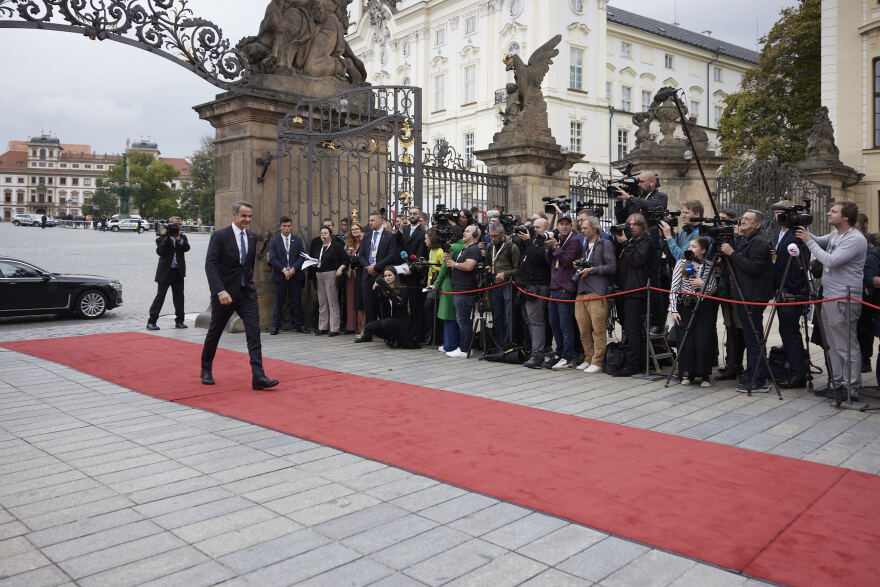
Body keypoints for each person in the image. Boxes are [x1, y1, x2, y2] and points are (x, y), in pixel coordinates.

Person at [200, 200, 279, 390]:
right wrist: (220, 291)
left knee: (254, 333)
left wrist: (249, 285)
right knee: (215, 331)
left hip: (247, 294)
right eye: (244, 216)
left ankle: (258, 376)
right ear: (234, 215)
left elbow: (247, 266)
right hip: (225, 295)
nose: (247, 220)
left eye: (250, 216)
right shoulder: (220, 236)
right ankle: (206, 369)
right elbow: (210, 265)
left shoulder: (252, 237)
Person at [797, 201, 868, 401]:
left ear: (846, 217)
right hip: (830, 296)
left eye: (833, 211)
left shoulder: (855, 239)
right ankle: (837, 383)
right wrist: (806, 233)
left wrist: (808, 241)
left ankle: (850, 387)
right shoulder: (838, 234)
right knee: (833, 344)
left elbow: (831, 260)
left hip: (844, 298)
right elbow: (820, 241)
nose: (828, 213)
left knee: (845, 344)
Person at [720, 210, 774, 393]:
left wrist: (732, 252)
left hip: (752, 296)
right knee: (751, 338)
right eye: (742, 218)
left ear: (757, 224)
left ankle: (758, 380)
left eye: (747, 219)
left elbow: (753, 268)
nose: (742, 221)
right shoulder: (746, 240)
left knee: (754, 339)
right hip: (743, 295)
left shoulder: (759, 242)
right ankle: (754, 375)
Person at [612, 213, 660, 377]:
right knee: (628, 328)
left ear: (642, 226)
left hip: (637, 292)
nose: (630, 227)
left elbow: (638, 260)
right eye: (628, 224)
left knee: (633, 330)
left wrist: (625, 243)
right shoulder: (631, 242)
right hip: (625, 290)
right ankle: (634, 361)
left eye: (634, 225)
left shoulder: (647, 241)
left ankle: (634, 365)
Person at [669, 237, 717, 387]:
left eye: (694, 246)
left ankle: (704, 374)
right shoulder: (681, 264)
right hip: (685, 305)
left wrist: (702, 285)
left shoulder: (709, 265)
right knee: (686, 340)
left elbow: (713, 289)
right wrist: (673, 310)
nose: (690, 249)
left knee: (703, 340)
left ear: (703, 250)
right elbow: (674, 289)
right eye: (690, 246)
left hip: (703, 306)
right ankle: (687, 373)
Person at [770, 202, 808, 388]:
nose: (778, 216)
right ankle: (795, 369)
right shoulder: (779, 233)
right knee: (785, 331)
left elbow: (797, 265)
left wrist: (791, 291)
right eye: (776, 213)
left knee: (790, 332)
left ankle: (798, 374)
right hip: (780, 288)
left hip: (791, 292)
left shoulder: (797, 234)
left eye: (781, 213)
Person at [574, 215, 616, 373]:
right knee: (583, 329)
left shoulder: (605, 243)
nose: (582, 231)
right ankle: (588, 357)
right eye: (581, 228)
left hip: (597, 291)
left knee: (597, 329)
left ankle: (598, 361)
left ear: (594, 228)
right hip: (581, 290)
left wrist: (592, 270)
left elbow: (611, 267)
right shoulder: (584, 244)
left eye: (585, 228)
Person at [355, 211, 400, 342]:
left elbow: (391, 255)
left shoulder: (389, 236)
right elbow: (361, 255)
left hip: (381, 275)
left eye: (373, 220)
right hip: (367, 275)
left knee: (384, 306)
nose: (370, 223)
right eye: (369, 220)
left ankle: (386, 335)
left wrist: (376, 267)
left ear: (381, 220)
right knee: (368, 306)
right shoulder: (368, 236)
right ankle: (368, 334)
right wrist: (368, 267)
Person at [545, 213, 582, 369]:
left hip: (565, 289)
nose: (564, 226)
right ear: (557, 226)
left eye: (567, 223)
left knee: (565, 325)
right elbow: (550, 262)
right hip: (554, 288)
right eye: (561, 224)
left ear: (571, 225)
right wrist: (549, 248)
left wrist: (557, 247)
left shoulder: (574, 241)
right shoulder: (557, 239)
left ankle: (567, 356)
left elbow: (567, 262)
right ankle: (559, 353)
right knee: (554, 324)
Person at [516, 218, 553, 368]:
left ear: (546, 228)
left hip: (538, 286)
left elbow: (538, 258)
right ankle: (535, 351)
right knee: (529, 320)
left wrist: (529, 240)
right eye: (533, 227)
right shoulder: (531, 242)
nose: (534, 229)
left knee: (536, 321)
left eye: (538, 227)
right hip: (526, 286)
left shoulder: (546, 242)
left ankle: (538, 356)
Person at [444, 224, 483, 358]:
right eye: (464, 230)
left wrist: (454, 264)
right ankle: (464, 347)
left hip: (465, 290)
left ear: (475, 235)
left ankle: (465, 348)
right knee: (462, 319)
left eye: (468, 231)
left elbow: (469, 266)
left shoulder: (473, 250)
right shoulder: (466, 249)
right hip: (460, 289)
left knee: (463, 320)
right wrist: (449, 262)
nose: (464, 233)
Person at [147, 216, 190, 330]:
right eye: (176, 224)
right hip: (165, 272)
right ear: (169, 225)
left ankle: (180, 321)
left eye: (180, 224)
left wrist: (179, 240)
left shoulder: (182, 237)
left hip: (178, 272)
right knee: (160, 297)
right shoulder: (162, 238)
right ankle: (151, 321)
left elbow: (187, 248)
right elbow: (160, 251)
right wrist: (164, 237)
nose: (178, 226)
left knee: (179, 298)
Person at [268, 216, 308, 335]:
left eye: (289, 226)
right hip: (280, 275)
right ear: (280, 226)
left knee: (297, 301)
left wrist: (294, 268)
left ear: (291, 226)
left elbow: (301, 256)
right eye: (284, 226)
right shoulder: (274, 241)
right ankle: (275, 325)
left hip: (295, 276)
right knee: (278, 301)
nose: (287, 228)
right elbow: (273, 258)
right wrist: (284, 269)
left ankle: (299, 325)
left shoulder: (297, 240)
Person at [486, 221, 521, 350]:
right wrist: (488, 269)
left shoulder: (512, 247)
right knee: (497, 314)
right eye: (491, 236)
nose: (493, 238)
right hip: (494, 285)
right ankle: (499, 344)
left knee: (508, 315)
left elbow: (519, 269)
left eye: (495, 236)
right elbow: (489, 263)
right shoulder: (490, 246)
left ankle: (508, 343)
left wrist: (505, 274)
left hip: (508, 285)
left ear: (502, 234)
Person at [363, 268, 419, 348]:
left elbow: (399, 303)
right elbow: (377, 301)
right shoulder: (382, 290)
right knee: (369, 327)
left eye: (390, 275)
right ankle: (390, 339)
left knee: (385, 323)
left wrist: (388, 290)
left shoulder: (402, 288)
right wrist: (375, 289)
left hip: (401, 322)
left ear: (395, 276)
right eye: (385, 276)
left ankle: (398, 340)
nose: (387, 278)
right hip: (388, 321)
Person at [310, 226, 347, 336]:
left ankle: (334, 328)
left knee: (332, 301)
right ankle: (323, 327)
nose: (323, 235)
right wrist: (313, 264)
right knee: (322, 302)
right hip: (319, 274)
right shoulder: (318, 247)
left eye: (325, 233)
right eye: (322, 233)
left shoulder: (336, 246)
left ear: (330, 235)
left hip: (331, 274)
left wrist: (340, 269)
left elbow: (345, 260)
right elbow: (314, 260)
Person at [432, 232, 465, 353]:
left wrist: (436, 284)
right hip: (459, 284)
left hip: (448, 284)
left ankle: (449, 344)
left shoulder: (452, 247)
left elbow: (444, 267)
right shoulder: (464, 246)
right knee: (457, 316)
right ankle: (454, 343)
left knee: (448, 315)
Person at [399, 206, 428, 341]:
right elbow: (400, 249)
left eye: (415, 214)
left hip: (415, 274)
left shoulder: (422, 233)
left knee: (416, 306)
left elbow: (421, 254)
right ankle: (406, 331)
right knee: (402, 303)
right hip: (402, 271)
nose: (412, 216)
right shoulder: (404, 230)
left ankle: (418, 335)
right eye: (410, 213)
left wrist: (412, 269)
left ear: (419, 215)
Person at [344, 221, 365, 335]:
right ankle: (351, 326)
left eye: (357, 229)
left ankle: (362, 327)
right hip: (351, 273)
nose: (355, 231)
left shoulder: (365, 242)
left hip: (362, 272)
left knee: (361, 301)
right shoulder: (349, 243)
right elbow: (346, 259)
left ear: (361, 230)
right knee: (352, 299)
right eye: (353, 230)